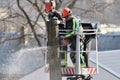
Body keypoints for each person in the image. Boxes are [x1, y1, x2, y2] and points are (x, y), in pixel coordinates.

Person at [45, 1, 67, 67]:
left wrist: (59, 22)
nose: (49, 12)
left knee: (61, 47)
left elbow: (63, 21)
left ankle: (63, 63)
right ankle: (50, 61)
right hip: (54, 34)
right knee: (49, 45)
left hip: (61, 33)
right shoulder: (49, 15)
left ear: (52, 7)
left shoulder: (57, 14)